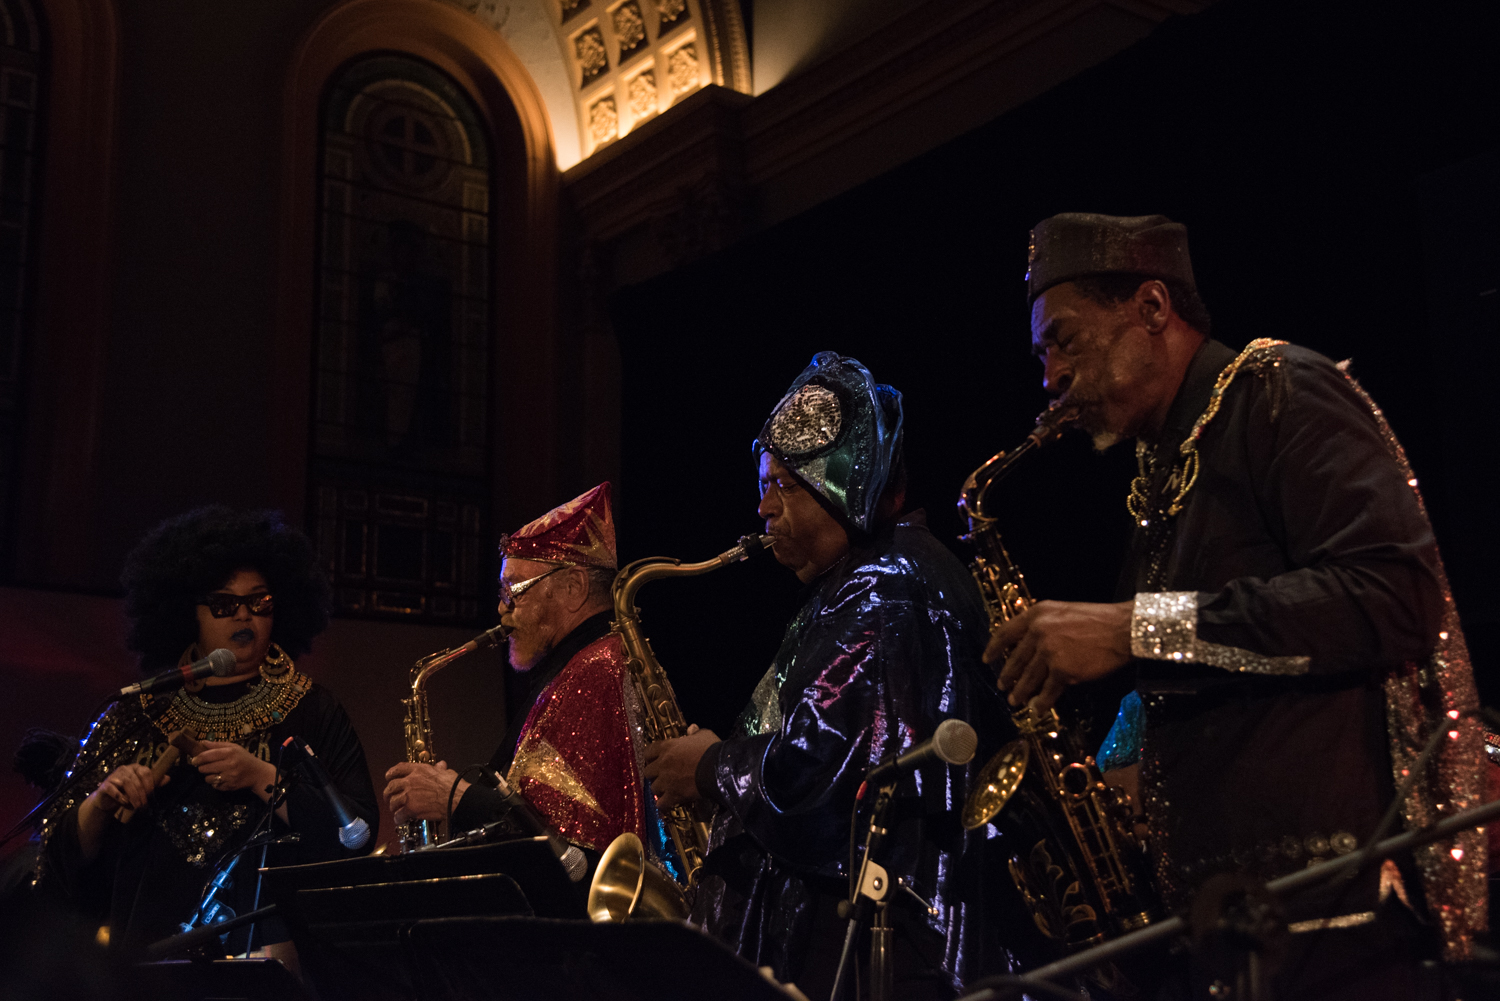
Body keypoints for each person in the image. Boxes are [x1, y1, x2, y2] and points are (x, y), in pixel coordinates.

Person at [990, 212, 1486, 998]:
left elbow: (1394, 594)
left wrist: (1129, 627)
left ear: (1152, 309)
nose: (1049, 375)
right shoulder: (1157, 479)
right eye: (1041, 352)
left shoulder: (1282, 389)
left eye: (1065, 340)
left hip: (1335, 918)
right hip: (1235, 931)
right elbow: (1207, 654)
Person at [643, 352, 1004, 998]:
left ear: (841, 484)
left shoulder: (885, 590)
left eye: (780, 483)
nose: (762, 507)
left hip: (883, 959)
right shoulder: (869, 580)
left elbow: (826, 781)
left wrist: (709, 766)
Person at [35, 507, 379, 958]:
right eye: (223, 605)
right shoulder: (136, 711)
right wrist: (101, 803)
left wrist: (262, 778)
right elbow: (55, 861)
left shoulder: (313, 709)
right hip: (143, 962)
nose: (245, 616)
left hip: (263, 959)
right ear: (187, 613)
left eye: (260, 603)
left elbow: (358, 834)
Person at [382, 483, 675, 871]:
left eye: (513, 591)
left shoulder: (597, 668)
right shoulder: (586, 663)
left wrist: (455, 797)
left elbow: (570, 852)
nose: (502, 609)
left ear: (573, 588)